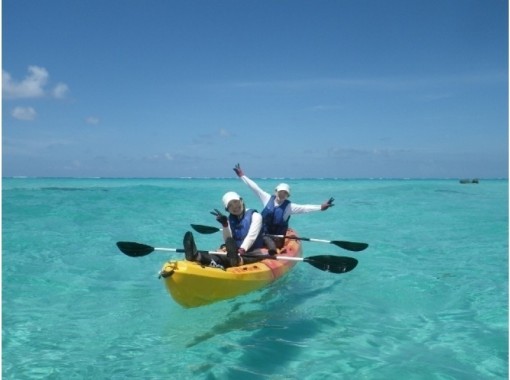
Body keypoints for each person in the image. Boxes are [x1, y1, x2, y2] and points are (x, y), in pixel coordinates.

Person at [233, 163, 334, 252]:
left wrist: (321, 207)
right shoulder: (267, 198)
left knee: (267, 240)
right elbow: (255, 187)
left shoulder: (289, 207)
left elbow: (305, 208)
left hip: (277, 239)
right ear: (275, 191)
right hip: (261, 234)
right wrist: (242, 176)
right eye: (280, 192)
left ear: (288, 196)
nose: (282, 195)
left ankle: (271, 251)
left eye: (285, 193)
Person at [183, 191, 266, 269]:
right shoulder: (229, 220)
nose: (234, 207)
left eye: (235, 202)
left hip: (253, 250)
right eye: (230, 205)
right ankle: (196, 255)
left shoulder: (256, 216)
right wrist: (225, 224)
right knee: (220, 254)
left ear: (241, 201)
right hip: (234, 251)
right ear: (227, 209)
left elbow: (252, 236)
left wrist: (242, 249)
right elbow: (228, 239)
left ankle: (237, 260)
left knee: (253, 255)